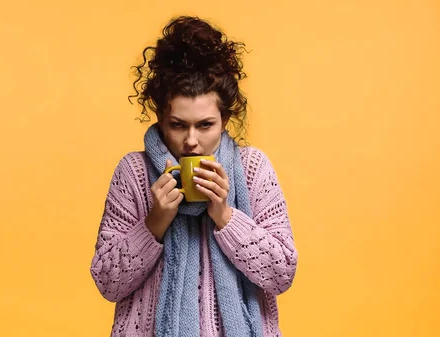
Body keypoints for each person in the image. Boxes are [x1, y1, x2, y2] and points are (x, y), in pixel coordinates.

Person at [90, 16, 298, 337]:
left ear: (225, 119)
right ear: (160, 118)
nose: (190, 140)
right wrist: (155, 222)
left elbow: (281, 273)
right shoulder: (133, 172)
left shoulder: (253, 168)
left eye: (204, 125)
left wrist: (226, 216)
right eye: (177, 125)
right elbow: (107, 281)